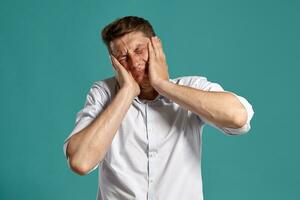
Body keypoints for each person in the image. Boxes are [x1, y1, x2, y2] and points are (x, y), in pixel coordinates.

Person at [63, 16, 254, 200]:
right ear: (114, 64)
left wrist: (163, 85)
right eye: (122, 57)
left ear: (157, 46)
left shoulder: (191, 87)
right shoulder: (103, 92)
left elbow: (238, 117)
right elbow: (81, 162)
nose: (134, 63)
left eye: (139, 50)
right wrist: (127, 92)